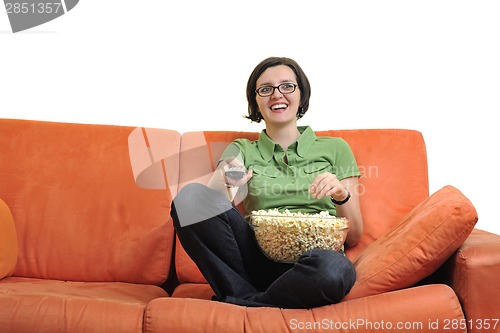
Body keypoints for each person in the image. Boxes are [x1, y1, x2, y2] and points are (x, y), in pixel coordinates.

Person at [171, 56, 364, 309]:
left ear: (301, 94)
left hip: (314, 261)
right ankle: (263, 300)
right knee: (189, 199)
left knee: (333, 270)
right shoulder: (243, 149)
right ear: (256, 101)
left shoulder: (336, 148)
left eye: (287, 86)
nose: (277, 95)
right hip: (256, 258)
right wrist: (228, 180)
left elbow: (355, 236)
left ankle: (248, 301)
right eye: (266, 89)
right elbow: (211, 204)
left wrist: (341, 194)